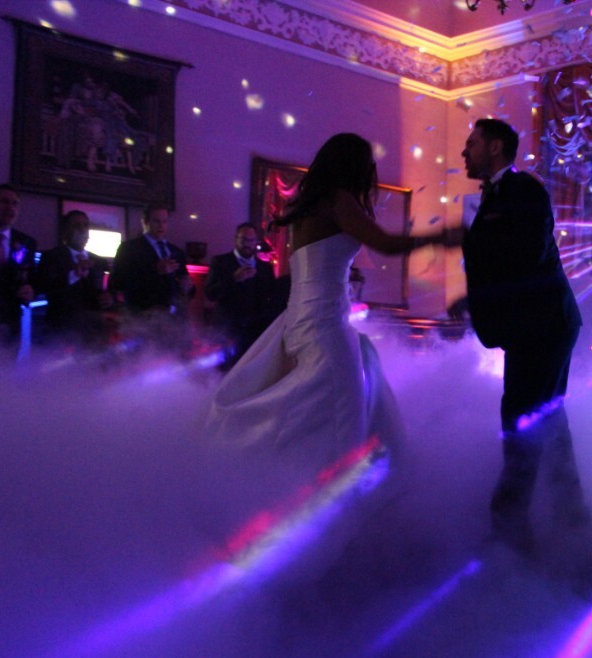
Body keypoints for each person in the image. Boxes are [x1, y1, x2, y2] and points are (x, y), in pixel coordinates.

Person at [205, 133, 436, 476]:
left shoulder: (308, 205)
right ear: (354, 166)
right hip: (325, 326)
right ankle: (337, 504)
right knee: (346, 416)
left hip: (299, 320)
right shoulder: (339, 201)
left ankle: (287, 483)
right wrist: (441, 236)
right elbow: (386, 243)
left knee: (321, 408)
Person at [461, 118, 588, 555]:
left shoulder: (525, 191)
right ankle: (572, 520)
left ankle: (510, 530)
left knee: (522, 418)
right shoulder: (499, 194)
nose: (464, 151)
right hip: (533, 325)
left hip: (545, 325)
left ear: (495, 147)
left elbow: (524, 255)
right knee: (545, 417)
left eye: (472, 143)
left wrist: (471, 260)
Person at [204, 222, 278, 368]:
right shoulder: (221, 262)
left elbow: (272, 296)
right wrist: (234, 279)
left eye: (251, 240)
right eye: (243, 239)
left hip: (255, 331)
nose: (247, 244)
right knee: (225, 370)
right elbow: (210, 294)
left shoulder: (265, 267)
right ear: (235, 239)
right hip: (227, 330)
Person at [36, 209, 114, 345]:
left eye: (85, 225)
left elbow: (108, 288)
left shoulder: (99, 261)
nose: (82, 230)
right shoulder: (52, 256)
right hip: (61, 331)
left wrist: (110, 298)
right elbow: (44, 286)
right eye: (77, 225)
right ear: (65, 231)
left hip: (93, 331)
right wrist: (74, 275)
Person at [112, 205, 194, 315]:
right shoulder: (130, 248)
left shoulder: (176, 251)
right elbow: (118, 282)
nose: (161, 225)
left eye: (164, 221)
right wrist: (155, 270)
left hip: (174, 318)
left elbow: (185, 285)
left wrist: (188, 286)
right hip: (142, 315)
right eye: (157, 221)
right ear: (144, 222)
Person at [0, 184, 38, 339]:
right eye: (4, 202)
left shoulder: (27, 242)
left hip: (11, 322)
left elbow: (32, 278)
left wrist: (31, 291)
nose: (10, 208)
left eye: (15, 203)